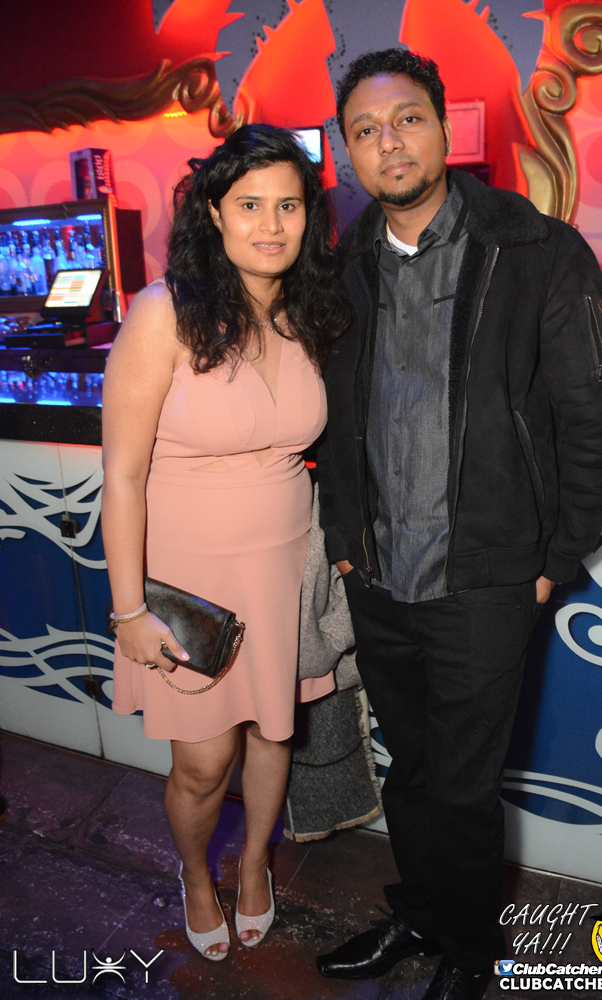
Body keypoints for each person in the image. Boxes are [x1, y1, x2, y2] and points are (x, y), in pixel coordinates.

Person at [316, 49, 602, 1000]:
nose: (388, 142)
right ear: (347, 152)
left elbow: (591, 413)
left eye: (406, 119)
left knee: (460, 785)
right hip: (378, 574)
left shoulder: (536, 250)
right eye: (365, 131)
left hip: (487, 577)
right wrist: (344, 545)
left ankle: (466, 950)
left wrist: (556, 555)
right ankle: (419, 912)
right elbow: (329, 417)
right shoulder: (340, 268)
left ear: (446, 129)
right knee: (410, 770)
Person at [102, 124, 348, 961]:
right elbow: (122, 477)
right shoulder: (162, 312)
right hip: (191, 583)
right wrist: (129, 611)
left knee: (273, 737)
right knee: (203, 766)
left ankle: (252, 864)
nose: (270, 224)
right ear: (213, 212)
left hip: (285, 567)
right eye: (249, 205)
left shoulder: (310, 310)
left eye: (288, 205)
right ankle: (196, 876)